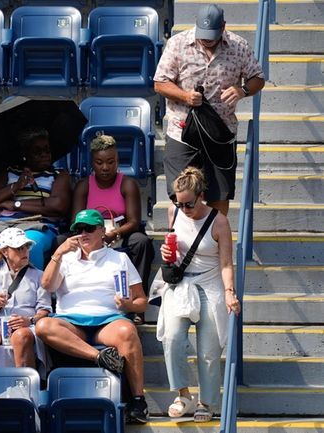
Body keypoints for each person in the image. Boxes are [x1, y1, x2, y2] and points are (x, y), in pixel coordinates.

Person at [36, 209, 149, 424]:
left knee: (127, 331)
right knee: (43, 326)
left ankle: (138, 400)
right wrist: (58, 254)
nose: (82, 234)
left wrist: (128, 305)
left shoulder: (120, 258)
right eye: (78, 229)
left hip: (108, 321)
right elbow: (47, 285)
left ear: (101, 231)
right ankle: (98, 357)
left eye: (88, 228)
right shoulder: (65, 258)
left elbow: (142, 302)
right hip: (71, 321)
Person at [154, 3, 265, 216]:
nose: (207, 41)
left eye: (212, 36)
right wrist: (185, 96)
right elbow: (160, 83)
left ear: (223, 27)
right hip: (182, 132)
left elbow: (258, 78)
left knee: (219, 196)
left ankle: (216, 246)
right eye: (203, 35)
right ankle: (183, 246)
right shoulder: (178, 43)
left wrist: (242, 90)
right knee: (181, 196)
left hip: (220, 133)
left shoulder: (239, 46)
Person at [154, 167, 241, 422]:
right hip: (181, 284)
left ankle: (207, 401)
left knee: (208, 350)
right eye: (177, 202)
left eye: (188, 204)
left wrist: (229, 292)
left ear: (201, 195)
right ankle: (183, 394)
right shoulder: (174, 212)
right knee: (171, 338)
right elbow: (172, 246)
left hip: (210, 284)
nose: (183, 209)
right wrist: (166, 255)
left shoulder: (219, 220)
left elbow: (226, 263)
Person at [0, 127, 71, 279]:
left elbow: (58, 205)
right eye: (37, 151)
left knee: (31, 245)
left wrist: (15, 204)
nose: (45, 155)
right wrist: (15, 186)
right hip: (0, 223)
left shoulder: (59, 174)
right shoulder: (8, 172)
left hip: (35, 224)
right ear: (25, 154)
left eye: (47, 150)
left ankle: (30, 295)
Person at [72, 134, 155, 320]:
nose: (105, 167)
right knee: (61, 241)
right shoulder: (83, 186)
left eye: (111, 162)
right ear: (92, 162)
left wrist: (113, 234)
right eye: (99, 162)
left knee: (141, 242)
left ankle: (136, 307)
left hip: (119, 233)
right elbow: (75, 221)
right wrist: (92, 235)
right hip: (89, 233)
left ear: (118, 161)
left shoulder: (127, 184)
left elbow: (134, 221)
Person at [0, 227, 51, 368]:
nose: (25, 252)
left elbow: (45, 310)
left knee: (21, 336)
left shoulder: (39, 275)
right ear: (5, 252)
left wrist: (29, 320)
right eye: (19, 248)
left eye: (26, 247)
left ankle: (24, 386)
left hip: (28, 326)